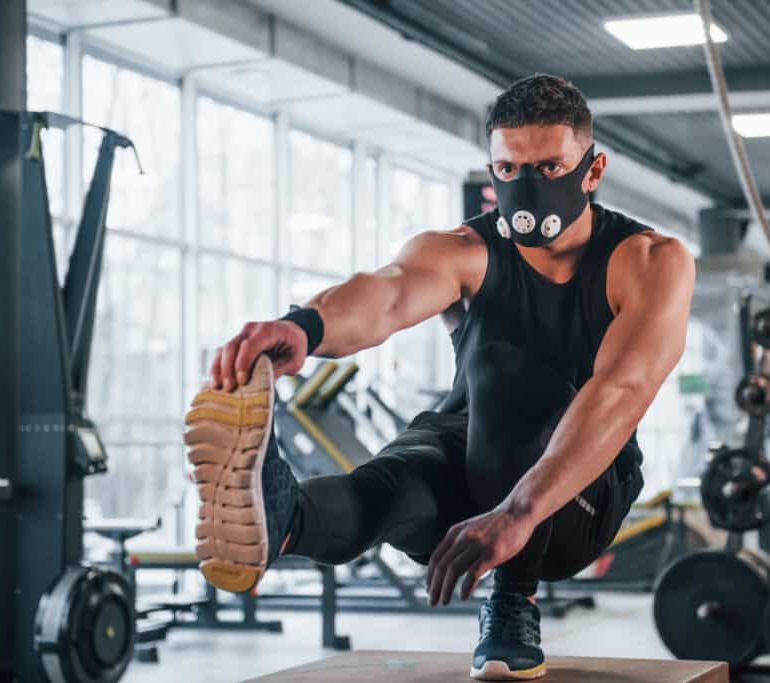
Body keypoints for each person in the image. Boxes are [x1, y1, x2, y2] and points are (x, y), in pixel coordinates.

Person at [184, 74, 694, 681]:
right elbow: (387, 296)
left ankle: (513, 597)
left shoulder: (648, 261)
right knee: (392, 486)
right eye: (509, 170)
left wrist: (519, 512)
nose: (528, 187)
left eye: (550, 167)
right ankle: (283, 519)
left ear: (593, 169)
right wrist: (305, 328)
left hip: (574, 496)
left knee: (507, 372)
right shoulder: (461, 249)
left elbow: (621, 391)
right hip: (466, 456)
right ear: (491, 169)